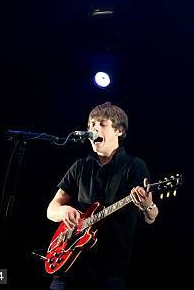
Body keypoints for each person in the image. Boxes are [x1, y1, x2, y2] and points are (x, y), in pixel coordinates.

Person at [46, 102, 158, 290]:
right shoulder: (80, 167)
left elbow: (151, 218)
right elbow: (51, 209)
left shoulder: (135, 166)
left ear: (119, 131)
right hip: (69, 266)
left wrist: (147, 205)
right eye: (91, 125)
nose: (93, 128)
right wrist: (64, 210)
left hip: (109, 270)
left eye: (102, 124)